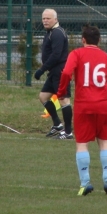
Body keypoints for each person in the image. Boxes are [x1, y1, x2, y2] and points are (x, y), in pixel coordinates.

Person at [57, 25, 107, 196]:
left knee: (81, 143)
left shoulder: (76, 54)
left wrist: (61, 91)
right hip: (102, 105)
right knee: (105, 141)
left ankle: (85, 183)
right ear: (99, 40)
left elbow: (66, 73)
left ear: (82, 40)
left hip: (83, 105)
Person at [34, 8, 73, 139]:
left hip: (60, 72)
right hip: (53, 72)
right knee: (43, 97)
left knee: (64, 100)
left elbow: (56, 55)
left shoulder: (57, 33)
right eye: (43, 18)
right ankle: (57, 125)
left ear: (55, 19)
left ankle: (68, 132)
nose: (45, 21)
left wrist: (41, 69)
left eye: (48, 18)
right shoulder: (50, 32)